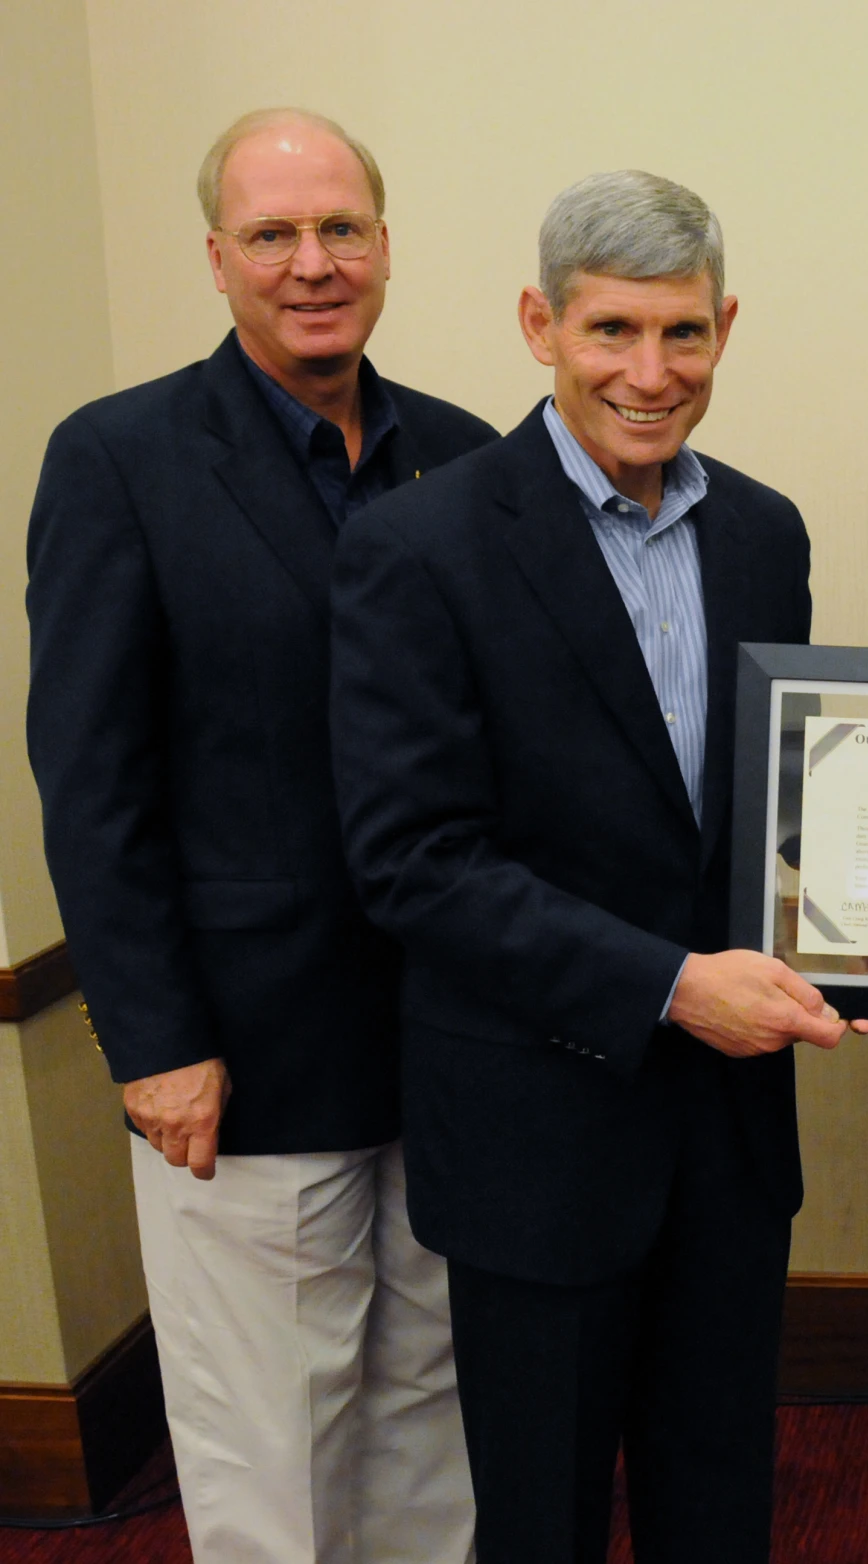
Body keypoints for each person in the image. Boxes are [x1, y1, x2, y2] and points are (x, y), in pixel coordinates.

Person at [329, 170, 845, 1564]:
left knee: (719, 1495)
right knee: (540, 1516)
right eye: (611, 330)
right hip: (534, 1138)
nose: (649, 371)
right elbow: (415, 863)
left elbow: (761, 818)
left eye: (682, 333)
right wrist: (674, 986)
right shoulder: (417, 549)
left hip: (728, 1142)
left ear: (725, 327)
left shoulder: (762, 531)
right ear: (537, 326)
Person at [23, 107, 493, 1563]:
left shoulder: (467, 459)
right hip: (240, 1061)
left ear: (387, 248)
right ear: (217, 257)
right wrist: (154, 1042)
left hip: (448, 1041)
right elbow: (89, 775)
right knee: (269, 1450)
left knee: (430, 1416)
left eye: (340, 228)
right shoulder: (120, 459)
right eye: (274, 234)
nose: (312, 263)